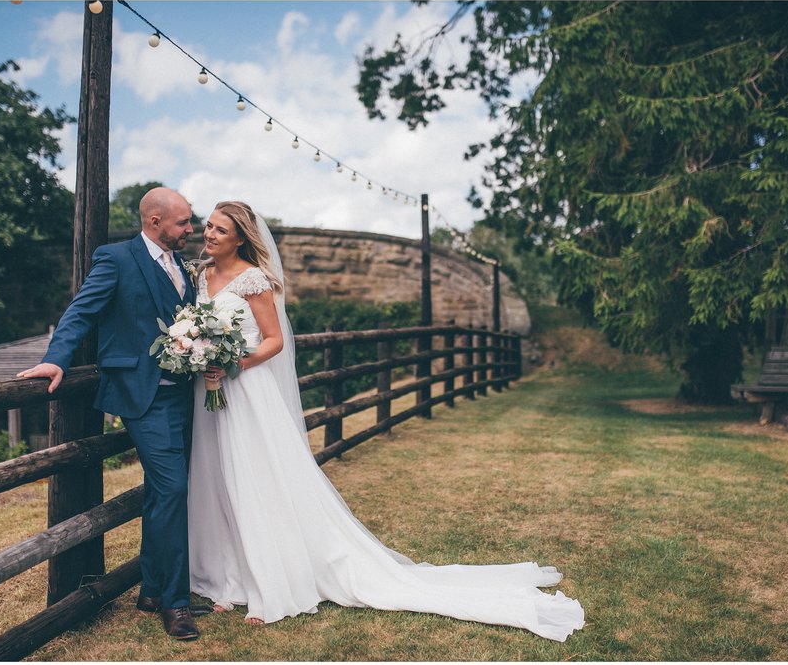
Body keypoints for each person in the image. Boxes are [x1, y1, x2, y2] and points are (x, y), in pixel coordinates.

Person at [186, 201, 585, 641]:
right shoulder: (201, 275)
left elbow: (275, 341)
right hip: (211, 391)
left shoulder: (254, 279)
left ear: (241, 237)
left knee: (255, 479)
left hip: (247, 391)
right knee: (218, 479)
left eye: (220, 230)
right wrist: (200, 352)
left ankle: (269, 580)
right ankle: (226, 579)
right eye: (208, 226)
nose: (209, 234)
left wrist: (234, 363)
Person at [17, 187, 211, 640]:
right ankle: (176, 603)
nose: (190, 229)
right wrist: (57, 358)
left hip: (182, 394)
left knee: (163, 493)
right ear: (154, 221)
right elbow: (81, 312)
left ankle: (150, 588)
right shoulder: (116, 258)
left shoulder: (182, 266)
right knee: (174, 488)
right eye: (183, 222)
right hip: (142, 396)